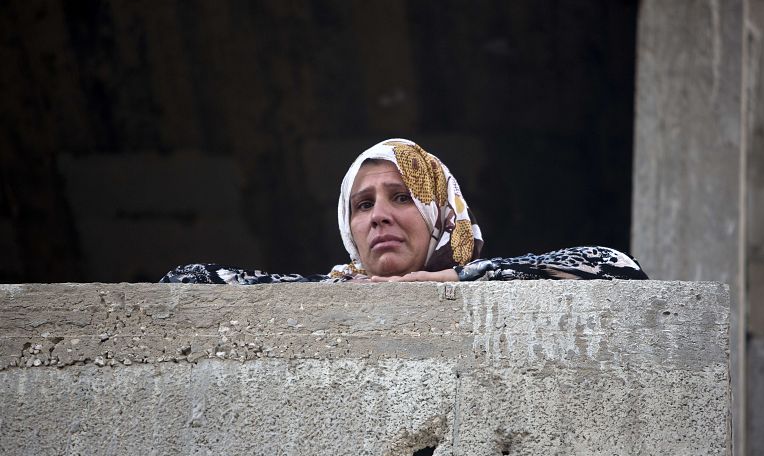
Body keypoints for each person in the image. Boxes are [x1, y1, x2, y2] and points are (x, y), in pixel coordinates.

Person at [160, 139, 647, 284]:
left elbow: (620, 269)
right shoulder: (332, 291)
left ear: (439, 212)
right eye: (363, 204)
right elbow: (186, 280)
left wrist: (451, 281)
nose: (379, 216)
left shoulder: (491, 286)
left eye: (401, 197)